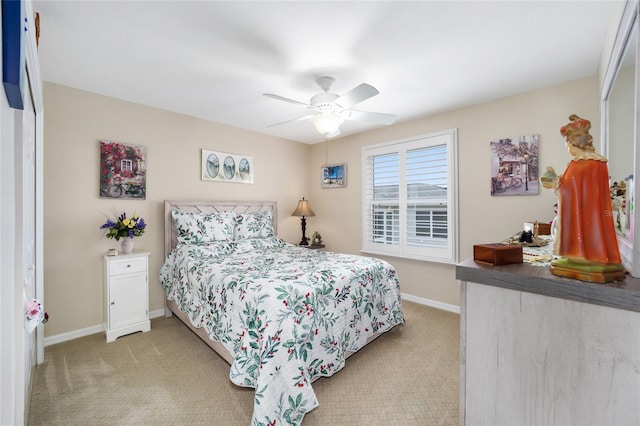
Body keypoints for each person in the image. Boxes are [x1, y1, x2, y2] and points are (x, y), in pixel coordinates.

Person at [540, 114, 625, 282]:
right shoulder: (598, 164)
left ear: (573, 143)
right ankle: (596, 252)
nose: (567, 148)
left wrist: (553, 181)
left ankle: (580, 254)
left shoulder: (579, 165)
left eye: (567, 143)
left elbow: (569, 189)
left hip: (582, 214)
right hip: (593, 212)